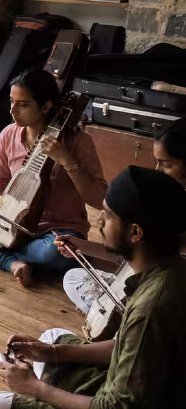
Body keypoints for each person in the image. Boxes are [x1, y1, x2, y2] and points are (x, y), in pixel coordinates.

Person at [0, 166, 186, 409]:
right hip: (145, 399)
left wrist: (35, 389)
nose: (99, 222)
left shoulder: (154, 306)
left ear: (135, 233)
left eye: (107, 216)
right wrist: (51, 352)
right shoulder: (167, 271)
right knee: (52, 338)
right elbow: (123, 346)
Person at [0, 69, 106, 286]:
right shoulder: (9, 134)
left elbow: (98, 199)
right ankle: (9, 260)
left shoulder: (78, 142)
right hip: (12, 219)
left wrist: (66, 160)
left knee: (56, 253)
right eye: (12, 101)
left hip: (57, 229)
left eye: (23, 104)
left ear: (46, 106)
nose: (13, 110)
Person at [57, 117, 186, 313]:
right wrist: (83, 246)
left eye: (166, 164)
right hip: (153, 281)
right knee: (74, 277)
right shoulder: (165, 197)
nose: (158, 170)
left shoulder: (167, 207)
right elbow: (134, 252)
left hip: (168, 299)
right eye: (157, 163)